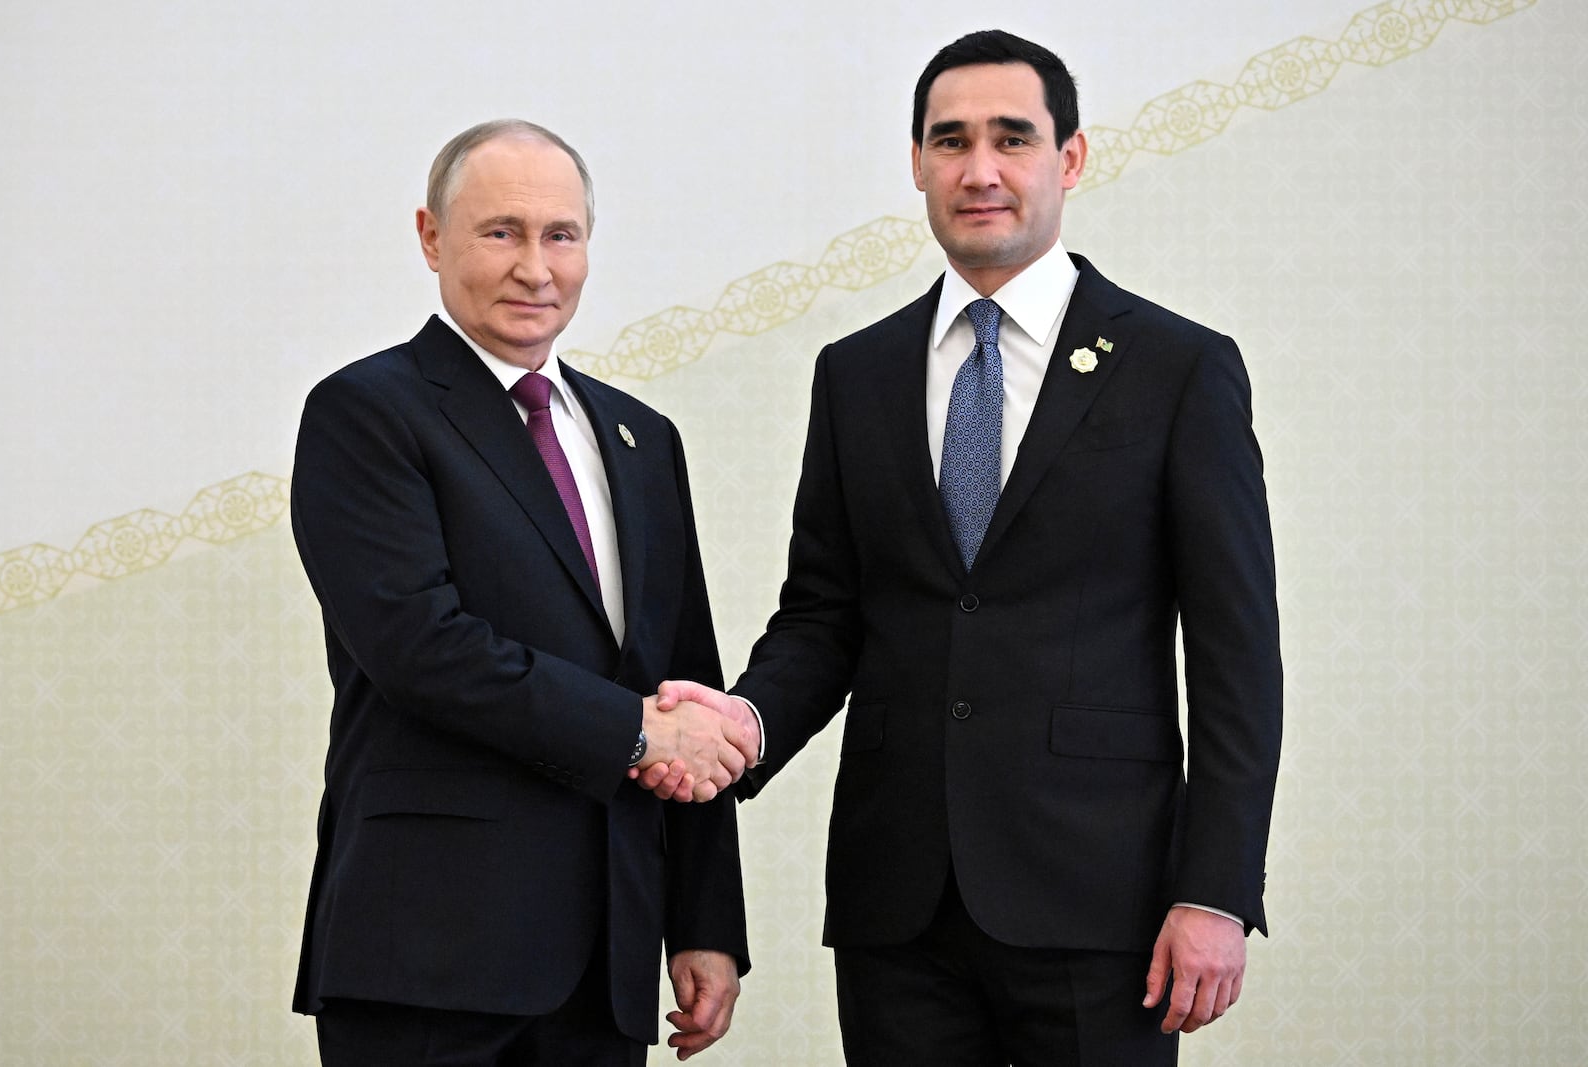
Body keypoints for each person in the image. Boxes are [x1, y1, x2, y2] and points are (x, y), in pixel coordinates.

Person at [644, 30, 1282, 1066]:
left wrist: (1213, 886)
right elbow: (826, 614)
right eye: (949, 142)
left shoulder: (1176, 367)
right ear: (916, 165)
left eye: (1010, 138)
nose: (978, 170)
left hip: (1101, 905)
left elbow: (1235, 655)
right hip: (897, 907)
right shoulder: (856, 373)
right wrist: (745, 721)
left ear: (1068, 159)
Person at [290, 119, 753, 1066]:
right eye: (500, 232)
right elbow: (424, 646)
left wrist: (704, 921)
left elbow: (685, 683)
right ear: (431, 237)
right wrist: (637, 732)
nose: (535, 267)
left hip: (607, 958)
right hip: (428, 956)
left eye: (561, 235)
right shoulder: (367, 413)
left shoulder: (642, 437)